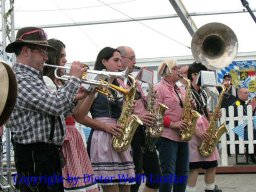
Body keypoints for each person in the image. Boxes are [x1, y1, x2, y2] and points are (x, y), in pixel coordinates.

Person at [4, 27, 86, 192]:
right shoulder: (21, 78)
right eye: (42, 51)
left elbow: (51, 111)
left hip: (45, 154)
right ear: (26, 51)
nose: (46, 57)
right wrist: (74, 79)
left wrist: (73, 98)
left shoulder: (33, 78)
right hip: (35, 155)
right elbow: (55, 106)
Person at [43, 38, 99, 192]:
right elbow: (60, 109)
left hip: (73, 135)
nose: (65, 60)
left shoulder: (61, 82)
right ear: (52, 57)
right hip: (63, 137)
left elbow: (77, 114)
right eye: (62, 56)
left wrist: (90, 93)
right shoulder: (46, 80)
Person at [80, 47, 135, 192]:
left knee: (126, 189)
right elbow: (79, 116)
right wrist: (105, 127)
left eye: (120, 60)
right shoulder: (94, 82)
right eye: (115, 60)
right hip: (102, 137)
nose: (120, 64)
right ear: (104, 61)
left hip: (119, 136)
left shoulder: (118, 84)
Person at [116, 46, 161, 192]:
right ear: (121, 59)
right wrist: (138, 117)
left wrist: (151, 97)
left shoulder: (131, 80)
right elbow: (117, 111)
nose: (135, 62)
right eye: (132, 58)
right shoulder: (115, 81)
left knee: (155, 177)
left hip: (143, 133)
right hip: (130, 133)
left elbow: (142, 102)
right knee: (134, 179)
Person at [186, 62, 222, 192]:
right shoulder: (186, 92)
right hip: (193, 130)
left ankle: (210, 189)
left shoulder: (203, 93)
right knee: (194, 167)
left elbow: (205, 113)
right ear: (194, 75)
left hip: (205, 129)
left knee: (212, 164)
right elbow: (186, 117)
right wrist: (197, 132)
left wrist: (214, 114)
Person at [154, 59, 189, 192]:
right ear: (166, 71)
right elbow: (155, 113)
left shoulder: (180, 89)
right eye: (175, 68)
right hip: (166, 136)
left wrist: (190, 106)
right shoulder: (158, 88)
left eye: (179, 68)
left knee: (183, 173)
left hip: (182, 135)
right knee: (168, 173)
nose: (179, 70)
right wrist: (173, 124)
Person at [232, 87, 256, 163]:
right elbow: (240, 122)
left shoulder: (244, 104)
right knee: (254, 132)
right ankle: (251, 155)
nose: (247, 95)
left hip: (245, 129)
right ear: (239, 94)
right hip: (238, 130)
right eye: (245, 93)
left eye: (248, 93)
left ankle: (251, 155)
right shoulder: (237, 104)